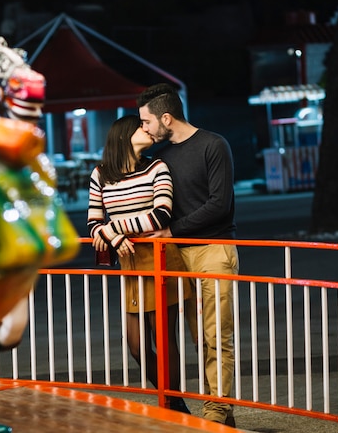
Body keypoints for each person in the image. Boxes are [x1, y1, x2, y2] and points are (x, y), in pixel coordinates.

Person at [137, 83, 239, 426]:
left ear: (167, 118)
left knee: (215, 334)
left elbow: (219, 205)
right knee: (184, 336)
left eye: (147, 122)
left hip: (213, 249)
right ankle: (217, 407)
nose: (144, 129)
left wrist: (172, 231)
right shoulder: (160, 157)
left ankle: (216, 409)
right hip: (175, 254)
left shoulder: (213, 145)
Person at [87, 114, 192, 414]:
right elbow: (94, 224)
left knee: (163, 336)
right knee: (136, 344)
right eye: (141, 126)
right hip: (129, 261)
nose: (148, 129)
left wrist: (114, 229)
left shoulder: (157, 167)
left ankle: (172, 404)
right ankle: (172, 401)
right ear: (124, 136)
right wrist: (111, 234)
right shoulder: (101, 174)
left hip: (160, 258)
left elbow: (161, 215)